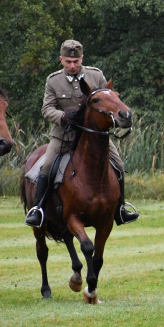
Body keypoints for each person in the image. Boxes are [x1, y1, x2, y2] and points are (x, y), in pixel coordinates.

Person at [24, 39, 139, 228]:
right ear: (61, 60)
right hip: (64, 135)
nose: (72, 66)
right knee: (47, 167)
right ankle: (38, 209)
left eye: (76, 62)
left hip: (95, 136)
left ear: (81, 59)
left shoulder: (96, 75)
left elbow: (108, 100)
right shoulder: (53, 81)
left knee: (118, 163)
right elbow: (47, 110)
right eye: (68, 62)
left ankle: (120, 209)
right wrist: (63, 117)